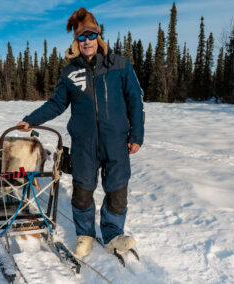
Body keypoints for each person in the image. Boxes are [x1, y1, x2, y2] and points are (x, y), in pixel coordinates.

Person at [17, 7, 144, 258]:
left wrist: (136, 136)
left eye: (90, 35)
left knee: (117, 190)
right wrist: (30, 121)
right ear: (76, 41)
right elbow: (56, 104)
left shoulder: (120, 66)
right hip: (85, 144)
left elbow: (135, 101)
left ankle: (112, 233)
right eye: (81, 37)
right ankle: (84, 234)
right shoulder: (70, 72)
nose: (87, 41)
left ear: (98, 36)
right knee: (83, 191)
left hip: (117, 141)